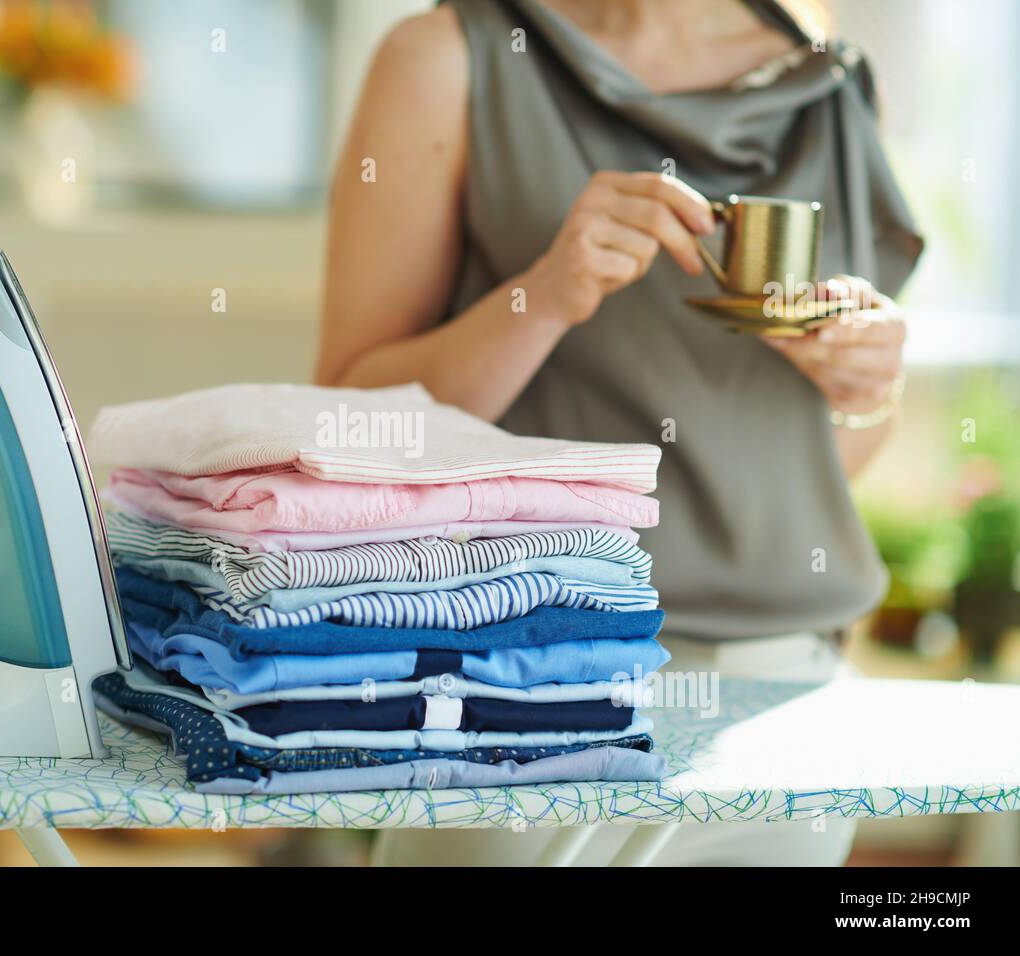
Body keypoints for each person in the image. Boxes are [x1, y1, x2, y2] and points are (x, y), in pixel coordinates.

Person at [315, 0, 923, 865]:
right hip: (521, 691)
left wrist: (863, 387)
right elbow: (344, 420)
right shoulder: (445, 59)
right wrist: (545, 296)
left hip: (784, 695)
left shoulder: (831, 79)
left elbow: (834, 458)